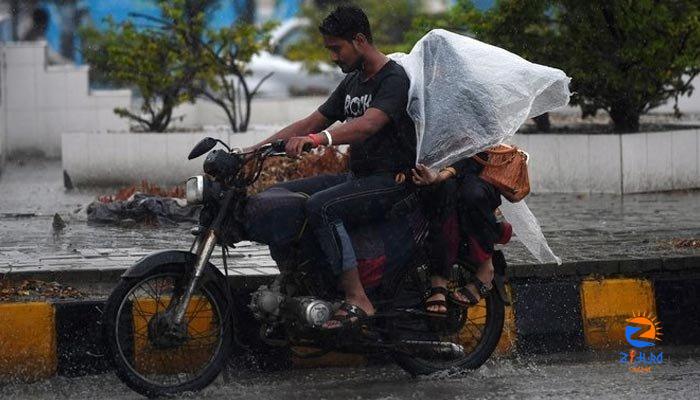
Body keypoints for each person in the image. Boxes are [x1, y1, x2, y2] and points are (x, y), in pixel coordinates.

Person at [247, 5, 416, 329]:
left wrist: (318, 139)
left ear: (360, 40)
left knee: (322, 206)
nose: (333, 57)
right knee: (274, 199)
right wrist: (255, 151)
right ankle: (299, 280)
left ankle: (358, 299)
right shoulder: (353, 80)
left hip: (391, 181)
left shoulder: (393, 78)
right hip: (359, 177)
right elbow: (311, 120)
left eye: (336, 48)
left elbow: (368, 124)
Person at [411, 155, 511, 316]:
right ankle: (438, 275)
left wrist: (444, 173)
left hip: (476, 170)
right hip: (432, 170)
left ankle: (485, 267)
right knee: (444, 191)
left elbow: (480, 148)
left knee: (469, 193)